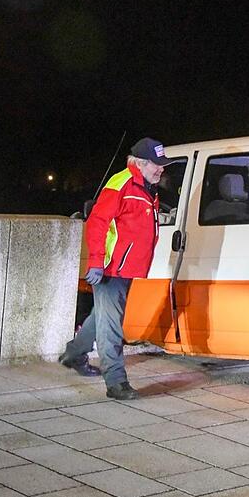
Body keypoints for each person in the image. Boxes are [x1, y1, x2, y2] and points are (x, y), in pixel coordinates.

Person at [58, 137, 173, 400]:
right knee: (111, 326)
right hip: (111, 268)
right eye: (158, 165)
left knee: (102, 315)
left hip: (126, 267)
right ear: (142, 163)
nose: (162, 169)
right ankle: (116, 382)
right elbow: (97, 222)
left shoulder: (144, 186)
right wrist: (97, 262)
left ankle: (74, 355)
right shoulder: (122, 183)